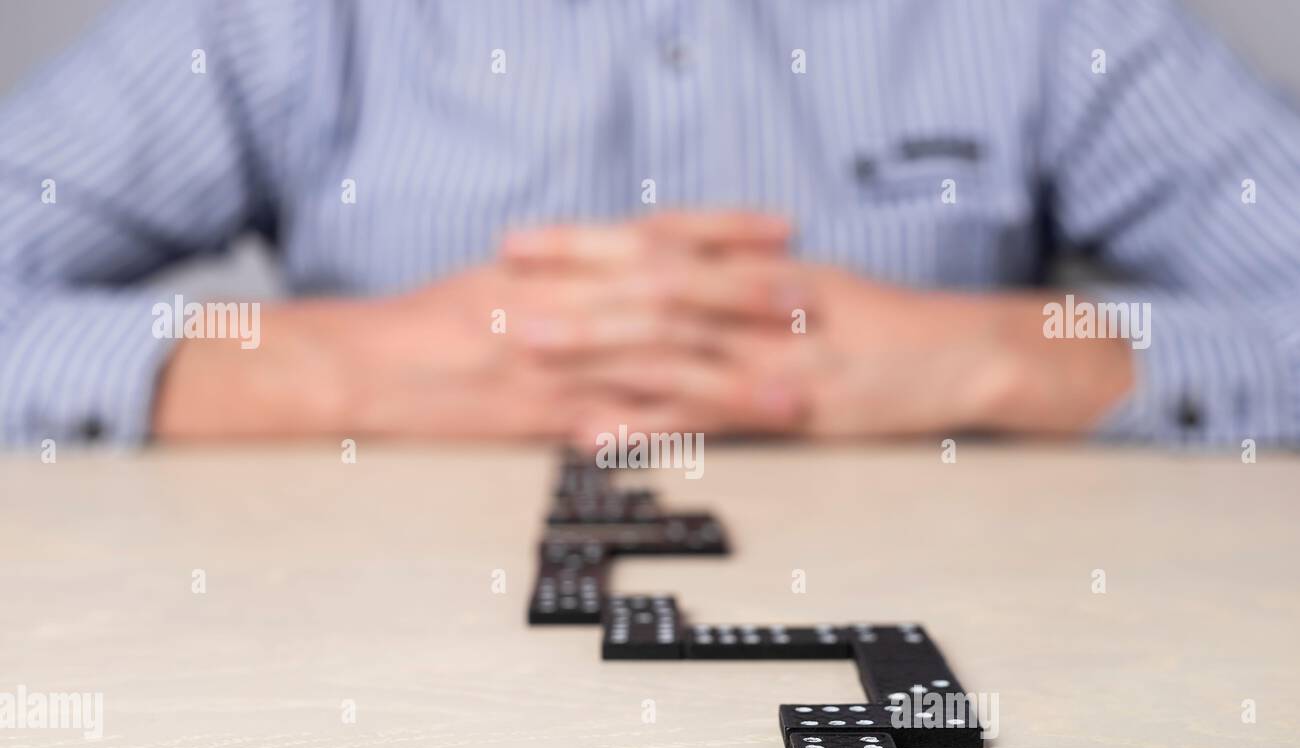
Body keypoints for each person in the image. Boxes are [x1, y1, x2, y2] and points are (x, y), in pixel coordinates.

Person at [1, 0, 1297, 449]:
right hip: (389, 706)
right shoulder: (287, 20)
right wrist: (330, 366)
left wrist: (1015, 356)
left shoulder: (1048, 20)